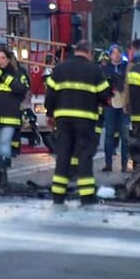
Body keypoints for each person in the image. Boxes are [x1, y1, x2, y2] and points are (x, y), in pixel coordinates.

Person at [45, 41, 111, 205]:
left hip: (63, 119)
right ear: (89, 53)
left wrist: (50, 114)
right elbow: (105, 95)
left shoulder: (59, 69)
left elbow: (50, 95)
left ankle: (58, 195)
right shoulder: (95, 70)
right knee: (84, 156)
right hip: (85, 119)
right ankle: (86, 195)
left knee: (63, 155)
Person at [0, 47, 28, 184]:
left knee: (4, 142)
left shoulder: (18, 73)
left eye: (3, 58)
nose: (0, 61)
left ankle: (3, 168)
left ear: (8, 59)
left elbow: (21, 89)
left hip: (10, 115)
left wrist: (6, 78)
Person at [101, 44, 130, 172]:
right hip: (110, 104)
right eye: (114, 53)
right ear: (110, 55)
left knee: (125, 135)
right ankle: (108, 164)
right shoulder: (105, 69)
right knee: (109, 134)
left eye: (119, 53)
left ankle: (124, 165)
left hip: (124, 104)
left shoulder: (126, 68)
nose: (116, 55)